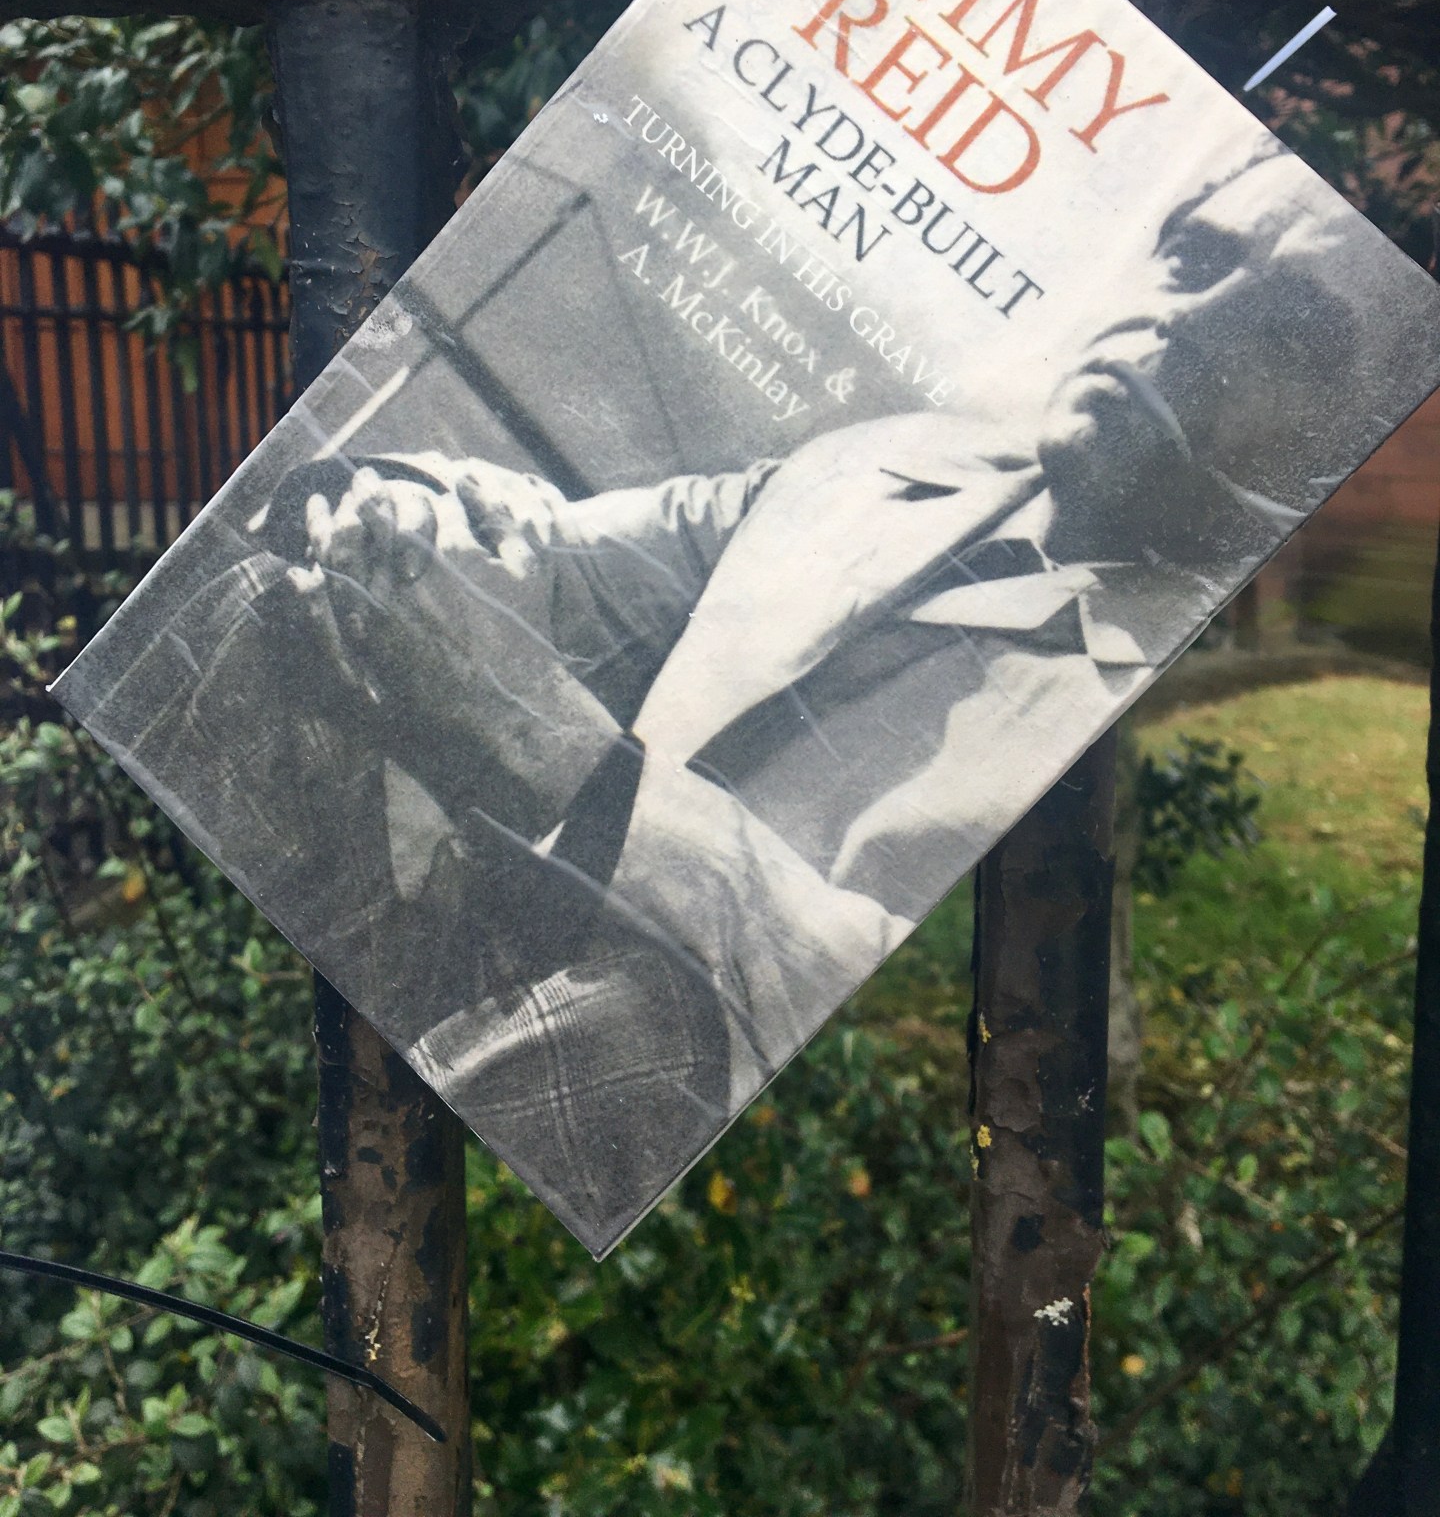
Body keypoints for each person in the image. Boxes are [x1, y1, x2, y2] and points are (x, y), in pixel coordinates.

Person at [262, 153, 1362, 1246]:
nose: (1188, 323)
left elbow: (859, 983)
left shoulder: (1133, 709)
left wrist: (538, 735)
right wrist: (405, 511)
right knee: (257, 609)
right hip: (448, 922)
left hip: (664, 1120)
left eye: (1283, 334)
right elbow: (575, 556)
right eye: (1194, 257)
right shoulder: (890, 461)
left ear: (1328, 455)